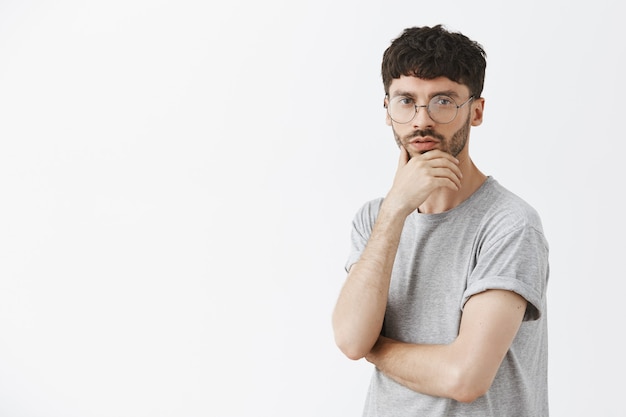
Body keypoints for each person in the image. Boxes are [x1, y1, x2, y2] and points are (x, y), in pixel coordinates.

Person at [331, 24, 549, 416]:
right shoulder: (375, 218)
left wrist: (375, 346)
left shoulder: (510, 225)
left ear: (476, 111)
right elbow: (349, 339)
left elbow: (464, 377)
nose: (421, 120)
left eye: (443, 101)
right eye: (405, 101)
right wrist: (396, 209)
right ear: (387, 110)